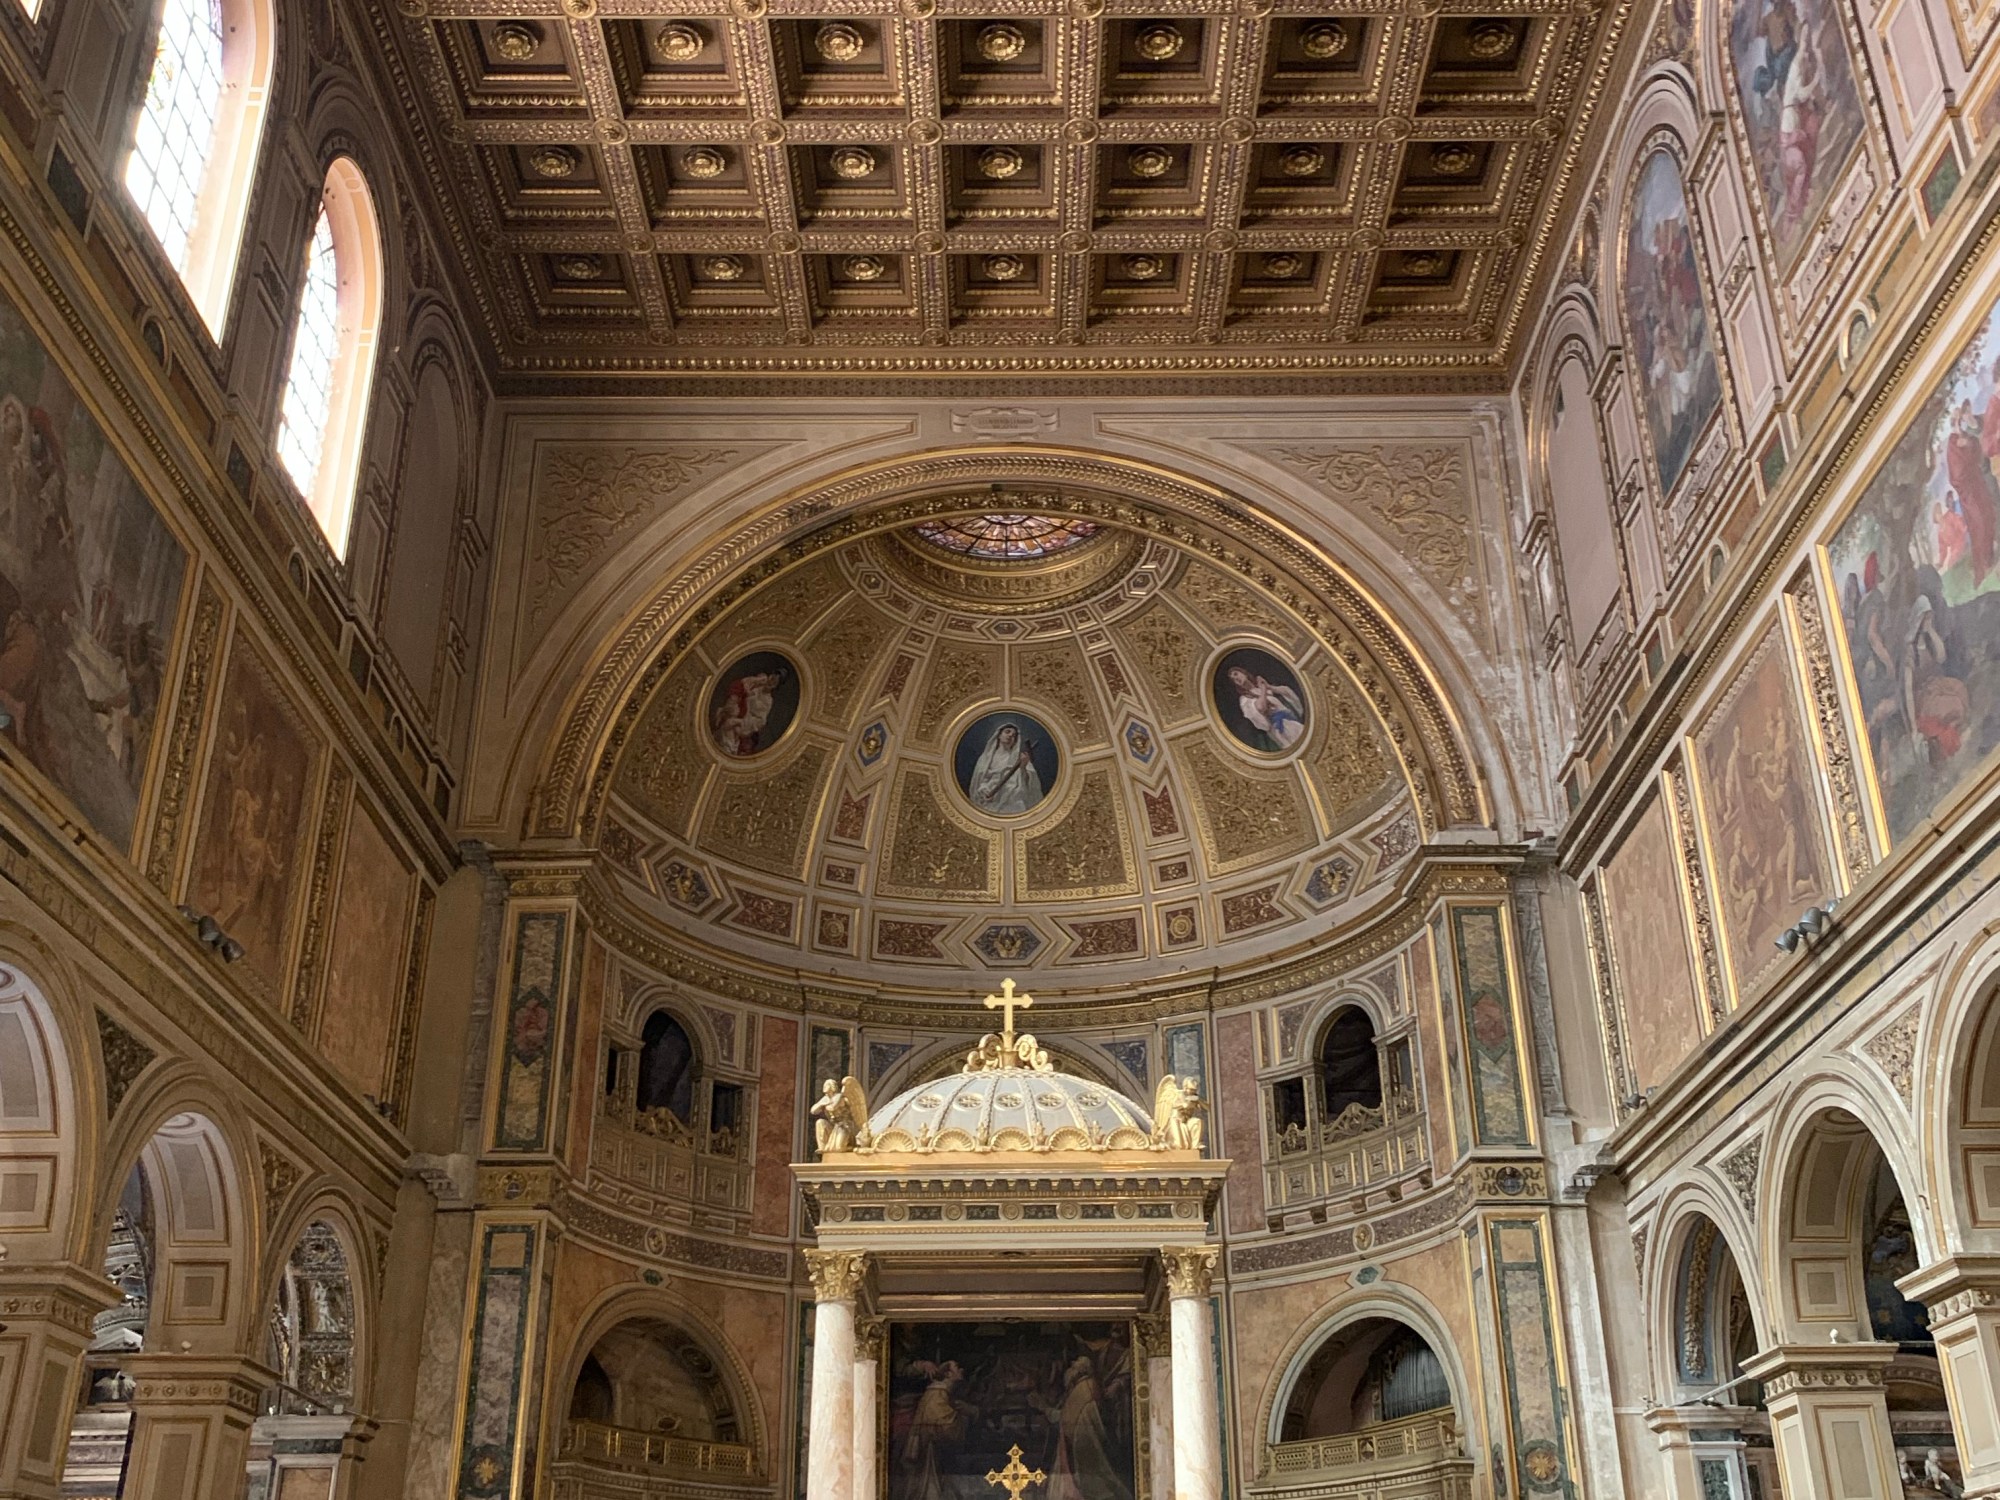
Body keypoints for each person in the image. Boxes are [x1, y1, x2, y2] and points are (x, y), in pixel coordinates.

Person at [1226, 664, 1307, 751]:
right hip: (1280, 728)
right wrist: (1264, 690)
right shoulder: (1245, 699)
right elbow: (1261, 707)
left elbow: (1286, 691)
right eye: (1233, 679)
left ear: (1244, 673)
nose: (1236, 679)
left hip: (1289, 720)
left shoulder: (1259, 688)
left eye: (1236, 674)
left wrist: (1267, 686)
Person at [711, 665, 788, 756]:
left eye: (774, 682)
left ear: (775, 686)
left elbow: (760, 721)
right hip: (738, 709)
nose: (770, 682)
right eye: (772, 678)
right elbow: (741, 685)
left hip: (745, 722)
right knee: (730, 715)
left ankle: (727, 753)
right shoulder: (757, 684)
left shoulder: (767, 701)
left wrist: (741, 722)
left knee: (730, 724)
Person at [968, 723, 1043, 814]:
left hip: (1013, 801)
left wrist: (1023, 767)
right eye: (1007, 732)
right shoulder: (986, 758)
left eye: (1014, 735)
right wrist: (984, 790)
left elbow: (1030, 784)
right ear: (999, 735)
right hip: (991, 801)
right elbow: (979, 780)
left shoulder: (1020, 758)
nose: (1010, 735)